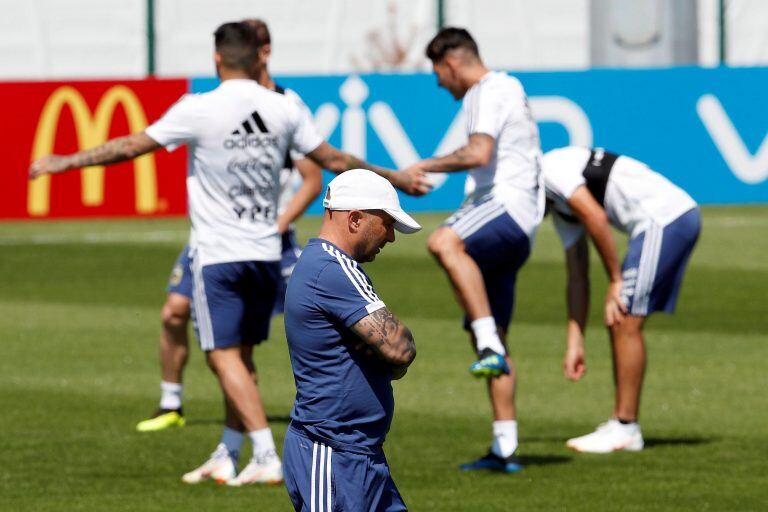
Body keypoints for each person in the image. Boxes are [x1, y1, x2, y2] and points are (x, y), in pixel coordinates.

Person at [29, 21, 427, 486]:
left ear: (217, 58)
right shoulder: (283, 107)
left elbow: (131, 146)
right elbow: (335, 161)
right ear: (258, 56)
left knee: (221, 356)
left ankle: (263, 452)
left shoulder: (199, 108)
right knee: (243, 356)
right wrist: (394, 179)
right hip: (265, 251)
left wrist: (65, 162)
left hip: (218, 252)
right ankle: (229, 449)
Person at [135, 18, 323, 434]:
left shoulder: (285, 105)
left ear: (263, 52)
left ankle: (262, 433)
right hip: (212, 238)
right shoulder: (218, 106)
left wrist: (281, 221)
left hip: (267, 239)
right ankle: (172, 403)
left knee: (294, 326)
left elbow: (314, 177)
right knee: (174, 312)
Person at [401, 27, 544, 472]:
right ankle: (506, 448)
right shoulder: (507, 89)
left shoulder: (487, 88)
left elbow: (479, 153)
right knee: (496, 336)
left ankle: (486, 345)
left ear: (451, 63)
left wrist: (425, 164)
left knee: (443, 240)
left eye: (438, 73)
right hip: (518, 223)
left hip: (504, 207)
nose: (440, 83)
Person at [541, 146, 701, 453]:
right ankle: (621, 423)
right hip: (664, 221)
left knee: (624, 316)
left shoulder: (548, 172)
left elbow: (597, 218)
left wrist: (616, 280)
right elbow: (577, 275)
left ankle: (626, 428)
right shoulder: (559, 206)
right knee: (620, 318)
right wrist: (575, 341)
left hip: (664, 219)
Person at [282, 169, 419, 511]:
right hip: (333, 455)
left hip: (356, 455)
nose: (390, 237)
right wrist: (387, 356)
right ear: (356, 219)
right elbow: (400, 348)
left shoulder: (326, 265)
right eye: (387, 223)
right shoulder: (333, 269)